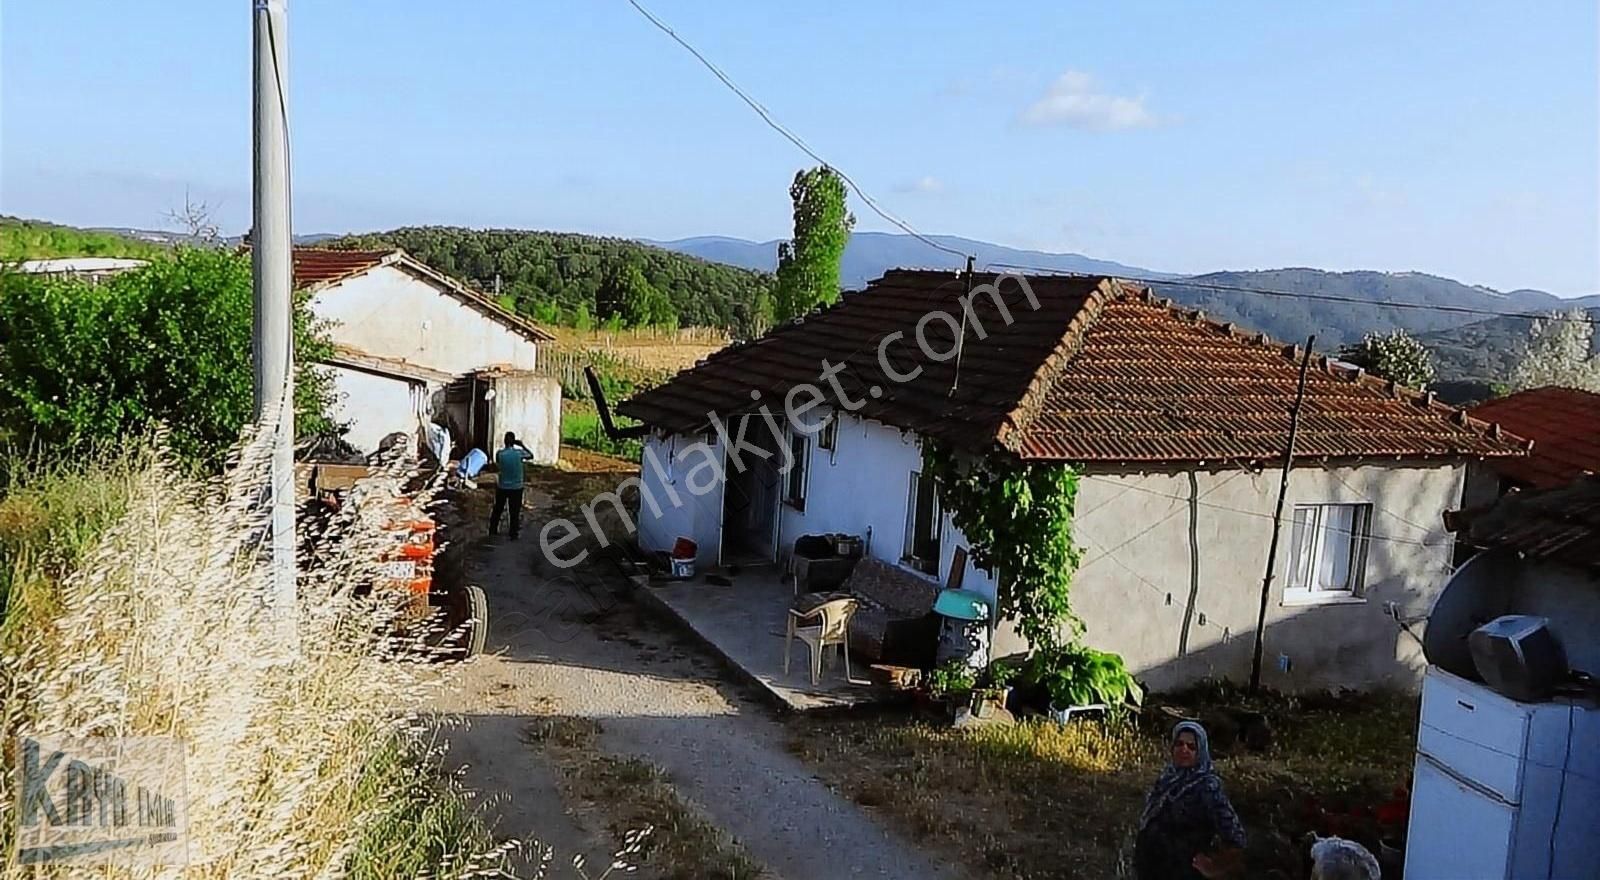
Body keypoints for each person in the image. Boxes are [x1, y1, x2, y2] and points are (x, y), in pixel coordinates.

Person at [1135, 721, 1246, 880]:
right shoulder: (1167, 780)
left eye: (1191, 747)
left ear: (1200, 752)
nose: (1184, 750)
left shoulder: (1207, 787)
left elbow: (1236, 838)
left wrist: (1214, 867)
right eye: (1179, 744)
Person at [490, 432, 532, 539]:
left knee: (497, 510)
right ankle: (513, 534)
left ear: (504, 441)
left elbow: (498, 463)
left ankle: (493, 531)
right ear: (514, 442)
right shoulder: (519, 453)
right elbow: (531, 455)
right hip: (516, 488)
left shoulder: (500, 454)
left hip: (503, 487)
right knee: (514, 512)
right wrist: (521, 445)